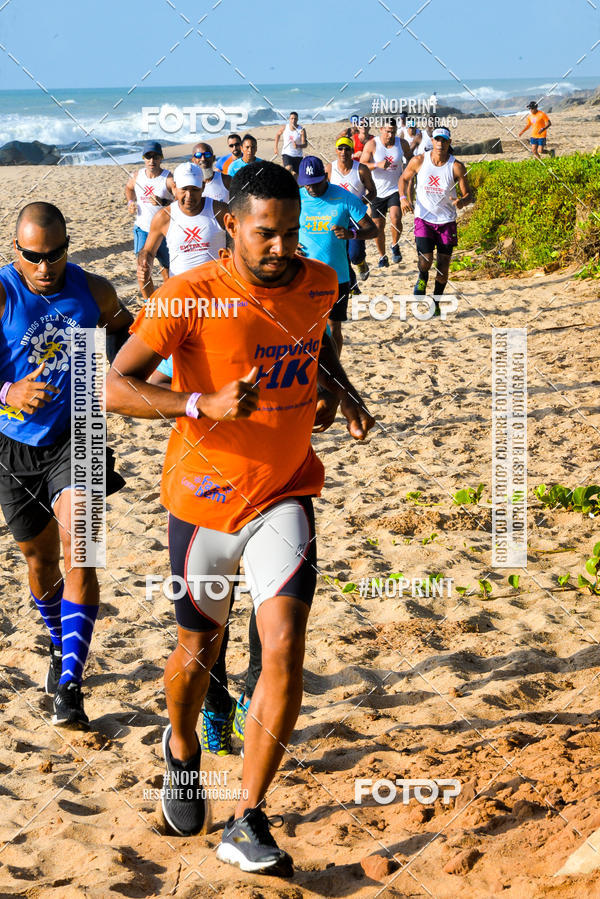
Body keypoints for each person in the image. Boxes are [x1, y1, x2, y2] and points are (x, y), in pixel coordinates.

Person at [106, 160, 375, 875]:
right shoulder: (187, 294)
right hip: (203, 506)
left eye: (291, 233)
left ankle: (248, 816)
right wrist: (202, 404)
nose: (284, 248)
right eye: (268, 234)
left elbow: (316, 347)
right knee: (196, 652)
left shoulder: (319, 280)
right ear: (230, 226)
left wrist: (341, 393)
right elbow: (115, 384)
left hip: (285, 491)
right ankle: (183, 748)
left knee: (283, 644)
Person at [0, 202, 131, 727]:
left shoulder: (91, 289)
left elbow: (125, 327)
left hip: (79, 433)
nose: (45, 266)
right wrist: (8, 390)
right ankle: (59, 647)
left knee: (84, 549)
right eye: (34, 256)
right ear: (17, 251)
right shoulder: (4, 293)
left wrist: (123, 378)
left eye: (55, 254)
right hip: (13, 445)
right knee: (39, 561)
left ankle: (71, 684)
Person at [298, 155, 377, 355]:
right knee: (307, 328)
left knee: (334, 328)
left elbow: (373, 230)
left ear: (325, 177)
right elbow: (279, 228)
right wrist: (289, 246)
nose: (312, 188)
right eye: (307, 184)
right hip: (304, 275)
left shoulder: (344, 197)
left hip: (337, 276)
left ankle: (333, 375)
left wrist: (352, 234)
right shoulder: (296, 199)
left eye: (316, 183)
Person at [399, 126, 472, 310]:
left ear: (449, 143)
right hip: (423, 218)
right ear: (432, 141)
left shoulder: (456, 166)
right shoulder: (419, 161)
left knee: (442, 268)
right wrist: (403, 198)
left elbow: (468, 194)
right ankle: (422, 276)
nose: (440, 143)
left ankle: (436, 302)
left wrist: (462, 202)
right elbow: (404, 179)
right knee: (425, 260)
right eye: (437, 139)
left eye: (444, 140)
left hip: (446, 221)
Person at [137, 162, 227, 296]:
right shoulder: (163, 217)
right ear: (174, 188)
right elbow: (148, 252)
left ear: (202, 187)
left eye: (194, 189)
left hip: (216, 293)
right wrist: (144, 263)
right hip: (180, 294)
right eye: (184, 189)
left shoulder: (219, 210)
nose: (189, 196)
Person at [125, 141, 174, 299]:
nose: (152, 160)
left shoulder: (168, 179)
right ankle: (150, 304)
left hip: (164, 232)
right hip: (143, 229)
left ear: (161, 158)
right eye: (148, 156)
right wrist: (131, 202)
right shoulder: (137, 176)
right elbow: (129, 188)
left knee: (167, 269)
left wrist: (164, 202)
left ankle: (169, 299)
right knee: (143, 268)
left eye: (155, 156)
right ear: (143, 158)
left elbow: (182, 200)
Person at [360, 120, 411, 267]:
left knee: (395, 218)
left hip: (395, 188)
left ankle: (395, 245)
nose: (390, 134)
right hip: (377, 191)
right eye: (387, 131)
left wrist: (408, 181)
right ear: (381, 129)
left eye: (393, 131)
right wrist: (377, 165)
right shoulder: (372, 144)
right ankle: (382, 256)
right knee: (378, 226)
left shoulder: (402, 143)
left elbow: (411, 159)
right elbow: (362, 165)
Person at [326, 137, 376, 285]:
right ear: (336, 151)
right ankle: (352, 286)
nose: (343, 152)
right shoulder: (329, 168)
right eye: (340, 148)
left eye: (347, 149)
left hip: (356, 218)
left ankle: (361, 262)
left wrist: (359, 204)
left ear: (352, 151)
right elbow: (323, 190)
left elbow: (373, 192)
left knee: (354, 255)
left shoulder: (361, 169)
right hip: (336, 217)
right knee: (341, 256)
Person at [274, 112, 307, 176]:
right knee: (288, 168)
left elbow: (305, 144)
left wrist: (298, 146)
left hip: (298, 155)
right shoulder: (284, 128)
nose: (293, 120)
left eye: (295, 119)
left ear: (297, 120)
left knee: (295, 176)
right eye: (292, 118)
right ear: (289, 119)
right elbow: (277, 135)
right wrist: (276, 147)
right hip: (286, 154)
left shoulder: (301, 130)